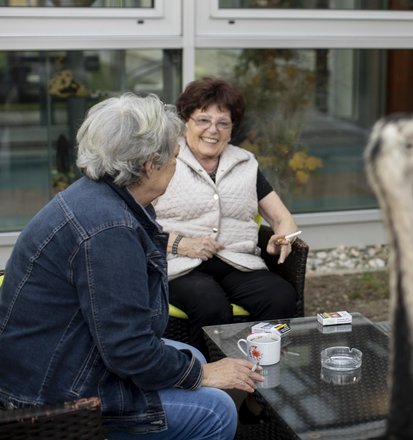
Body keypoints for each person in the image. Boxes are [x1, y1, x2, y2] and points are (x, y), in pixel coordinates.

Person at [0, 93, 264, 439]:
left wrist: (197, 370)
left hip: (61, 361)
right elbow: (128, 350)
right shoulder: (109, 229)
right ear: (150, 165)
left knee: (191, 353)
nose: (178, 161)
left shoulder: (97, 196)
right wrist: (204, 376)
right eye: (174, 156)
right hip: (53, 394)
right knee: (216, 410)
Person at [153, 77, 298, 357]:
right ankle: (205, 381)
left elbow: (284, 219)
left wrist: (285, 237)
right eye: (203, 120)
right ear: (186, 122)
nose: (213, 130)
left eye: (223, 123)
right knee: (209, 303)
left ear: (232, 130)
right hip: (179, 266)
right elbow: (137, 225)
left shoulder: (245, 164)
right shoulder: (166, 160)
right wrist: (180, 244)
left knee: (279, 296)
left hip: (237, 263)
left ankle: (264, 382)